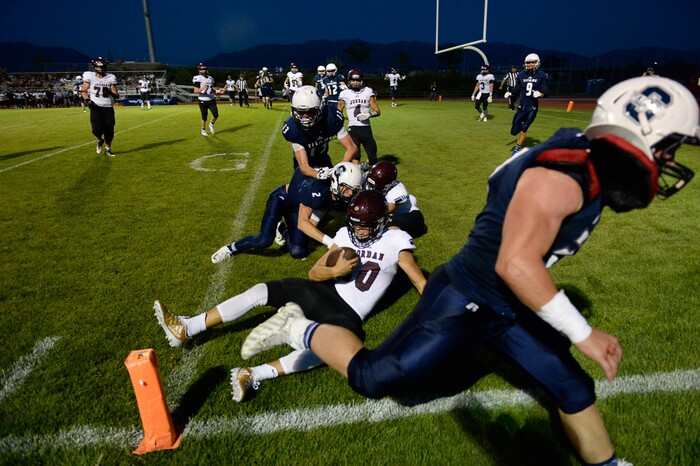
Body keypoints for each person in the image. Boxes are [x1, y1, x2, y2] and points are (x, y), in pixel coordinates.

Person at [241, 76, 700, 466]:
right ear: (641, 133)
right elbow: (515, 263)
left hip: (509, 300)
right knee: (372, 378)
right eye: (670, 146)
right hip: (467, 296)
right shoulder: (564, 177)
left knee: (571, 384)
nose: (669, 160)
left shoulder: (579, 151)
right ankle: (300, 328)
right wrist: (582, 332)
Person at [155, 189, 427, 402]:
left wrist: (437, 315)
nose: (359, 231)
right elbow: (313, 273)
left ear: (381, 223)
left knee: (332, 349)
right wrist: (336, 271)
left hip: (348, 312)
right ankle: (188, 326)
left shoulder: (396, 242)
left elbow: (418, 280)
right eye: (355, 225)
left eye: (365, 226)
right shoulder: (345, 235)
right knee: (262, 290)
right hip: (320, 292)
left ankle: (253, 374)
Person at [211, 161, 363, 261]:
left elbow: (322, 212)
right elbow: (303, 224)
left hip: (300, 208)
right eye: (347, 188)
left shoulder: (336, 192)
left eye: (353, 190)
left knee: (298, 252)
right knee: (264, 240)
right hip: (282, 199)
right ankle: (230, 248)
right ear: (336, 181)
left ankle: (282, 228)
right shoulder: (317, 187)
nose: (350, 194)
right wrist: (331, 243)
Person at [282, 85, 357, 180]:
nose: (305, 117)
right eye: (300, 112)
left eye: (310, 112)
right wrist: (317, 174)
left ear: (320, 108)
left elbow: (352, 148)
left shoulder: (331, 118)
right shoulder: (293, 128)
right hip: (305, 166)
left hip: (324, 160)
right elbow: (304, 166)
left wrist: (337, 170)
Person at [364, 161, 427, 239]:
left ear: (388, 184)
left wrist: (367, 216)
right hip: (391, 214)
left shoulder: (399, 191)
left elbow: (389, 208)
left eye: (376, 185)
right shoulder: (368, 177)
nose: (372, 187)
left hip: (406, 215)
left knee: (386, 231)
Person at [505, 53, 549, 155]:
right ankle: (520, 124)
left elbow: (546, 92)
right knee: (513, 132)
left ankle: (516, 150)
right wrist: (510, 93)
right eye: (528, 62)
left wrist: (540, 94)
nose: (530, 64)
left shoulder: (542, 76)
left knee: (524, 129)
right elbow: (516, 89)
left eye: (533, 62)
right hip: (521, 107)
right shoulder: (521, 75)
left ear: (537, 63)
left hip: (532, 107)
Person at [338, 69, 381, 167]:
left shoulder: (368, 91)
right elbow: (338, 111)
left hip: (366, 128)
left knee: (373, 157)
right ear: (349, 81)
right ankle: (357, 178)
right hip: (353, 128)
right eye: (353, 80)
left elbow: (378, 111)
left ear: (362, 81)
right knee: (356, 156)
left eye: (357, 80)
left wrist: (369, 114)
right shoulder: (345, 93)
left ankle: (366, 166)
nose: (355, 82)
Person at [81, 57, 119, 157]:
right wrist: (87, 100)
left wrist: (110, 92)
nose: (101, 69)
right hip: (95, 106)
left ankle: (108, 149)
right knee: (96, 130)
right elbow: (83, 91)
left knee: (109, 131)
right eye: (99, 67)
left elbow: (116, 95)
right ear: (94, 67)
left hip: (107, 107)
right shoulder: (90, 76)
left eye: (102, 67)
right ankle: (100, 140)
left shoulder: (110, 77)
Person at [193, 63, 222, 137]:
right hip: (202, 100)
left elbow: (211, 89)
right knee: (204, 117)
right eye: (202, 69)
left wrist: (217, 92)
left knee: (216, 114)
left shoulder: (210, 78)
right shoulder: (198, 78)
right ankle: (203, 129)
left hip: (211, 99)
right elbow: (195, 91)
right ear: (199, 70)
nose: (204, 70)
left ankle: (211, 124)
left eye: (204, 69)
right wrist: (201, 89)